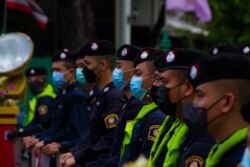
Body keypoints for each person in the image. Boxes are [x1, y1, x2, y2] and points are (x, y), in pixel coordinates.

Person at [59, 40, 126, 167]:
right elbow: (91, 138)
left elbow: (109, 140)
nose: (84, 69)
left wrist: (78, 156)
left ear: (102, 65)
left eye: (87, 64)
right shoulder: (99, 96)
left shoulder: (114, 97)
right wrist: (74, 152)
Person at [147, 48, 214, 167]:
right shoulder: (173, 121)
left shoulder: (202, 132)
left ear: (187, 87)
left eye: (164, 82)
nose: (159, 87)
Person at [23, 49, 88, 166]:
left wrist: (44, 141)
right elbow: (55, 127)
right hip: (55, 148)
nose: (54, 74)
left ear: (71, 72)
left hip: (65, 152)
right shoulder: (63, 93)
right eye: (53, 70)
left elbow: (72, 130)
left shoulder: (76, 95)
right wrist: (39, 138)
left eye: (58, 70)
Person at [183, 53, 250, 166]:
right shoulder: (221, 151)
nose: (194, 103)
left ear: (227, 102)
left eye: (200, 95)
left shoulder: (241, 159)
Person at [118, 48, 166, 166]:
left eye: (138, 74)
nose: (133, 78)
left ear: (154, 79)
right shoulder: (144, 111)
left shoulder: (155, 118)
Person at [99, 44, 143, 166]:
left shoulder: (137, 106)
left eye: (119, 66)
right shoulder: (124, 101)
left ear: (134, 70)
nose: (115, 72)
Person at [8, 67, 56, 139]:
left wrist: (20, 131)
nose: (29, 83)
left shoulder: (46, 99)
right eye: (28, 80)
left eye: (31, 80)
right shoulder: (38, 97)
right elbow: (33, 122)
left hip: (42, 140)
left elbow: (41, 125)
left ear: (41, 80)